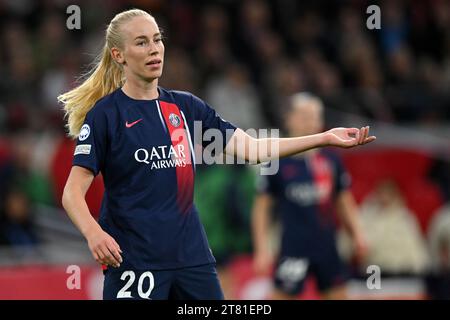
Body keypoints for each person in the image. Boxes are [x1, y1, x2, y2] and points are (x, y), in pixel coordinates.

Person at [58, 9, 375, 300]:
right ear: (119, 55)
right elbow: (73, 192)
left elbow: (253, 149)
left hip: (192, 258)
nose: (154, 49)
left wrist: (323, 138)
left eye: (157, 40)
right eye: (141, 43)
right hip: (135, 261)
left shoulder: (185, 107)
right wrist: (94, 234)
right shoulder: (106, 116)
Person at [252, 93, 368, 300]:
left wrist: (358, 234)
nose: (311, 121)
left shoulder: (331, 159)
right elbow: (262, 208)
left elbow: (343, 200)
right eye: (304, 115)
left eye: (315, 116)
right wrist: (262, 248)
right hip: (293, 247)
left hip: (327, 246)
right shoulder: (276, 161)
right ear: (289, 118)